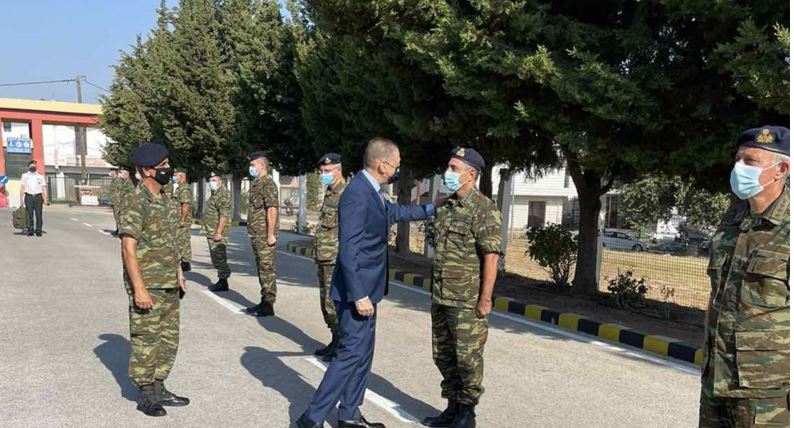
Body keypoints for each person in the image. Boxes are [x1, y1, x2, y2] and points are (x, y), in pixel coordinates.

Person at [296, 138, 436, 428]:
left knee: (362, 355)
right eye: (396, 164)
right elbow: (348, 250)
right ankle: (312, 417)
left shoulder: (371, 191)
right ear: (383, 165)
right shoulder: (358, 193)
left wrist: (433, 208)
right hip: (355, 292)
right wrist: (359, 295)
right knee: (350, 354)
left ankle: (349, 414)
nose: (398, 169)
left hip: (369, 290)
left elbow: (394, 213)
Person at [700, 126, 790, 427]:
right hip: (716, 381)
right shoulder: (732, 220)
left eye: (750, 161)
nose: (739, 168)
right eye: (737, 159)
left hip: (769, 395)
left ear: (781, 170)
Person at [422, 148, 501, 428]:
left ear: (471, 174)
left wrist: (485, 299)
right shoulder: (445, 207)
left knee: (467, 358)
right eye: (449, 167)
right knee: (443, 356)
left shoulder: (484, 209)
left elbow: (491, 257)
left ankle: (467, 412)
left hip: (467, 301)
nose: (448, 173)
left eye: (454, 168)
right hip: (441, 296)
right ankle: (452, 407)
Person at [119, 142, 189, 417]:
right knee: (146, 339)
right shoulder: (136, 201)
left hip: (169, 282)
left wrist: (179, 274)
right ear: (147, 170)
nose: (168, 169)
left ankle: (159, 386)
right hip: (148, 283)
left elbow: (171, 242)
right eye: (163, 166)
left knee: (169, 339)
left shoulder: (166, 199)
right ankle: (146, 393)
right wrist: (139, 289)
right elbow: (128, 247)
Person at [313, 153, 347, 362]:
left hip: (335, 258)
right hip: (324, 256)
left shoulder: (345, 194)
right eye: (321, 172)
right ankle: (335, 339)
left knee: (333, 303)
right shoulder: (330, 192)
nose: (323, 175)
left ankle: (341, 345)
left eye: (327, 171)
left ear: (338, 170)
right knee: (325, 302)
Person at [245, 151, 280, 317]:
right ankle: (264, 299)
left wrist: (270, 234)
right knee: (261, 267)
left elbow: (271, 209)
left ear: (262, 165)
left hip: (264, 235)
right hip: (256, 234)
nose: (250, 168)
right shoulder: (256, 183)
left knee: (267, 267)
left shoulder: (268, 184)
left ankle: (269, 303)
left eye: (253, 165)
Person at [204, 171, 232, 292]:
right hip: (212, 230)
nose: (211, 182)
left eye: (214, 180)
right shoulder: (215, 193)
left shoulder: (222, 194)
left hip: (218, 232)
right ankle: (222, 280)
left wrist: (219, 232)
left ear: (221, 181)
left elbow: (224, 215)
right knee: (216, 256)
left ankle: (223, 281)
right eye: (210, 180)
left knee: (219, 256)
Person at [172, 168, 193, 272]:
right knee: (178, 240)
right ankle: (181, 260)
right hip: (176, 218)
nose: (173, 177)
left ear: (181, 176)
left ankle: (186, 262)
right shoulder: (178, 187)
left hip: (182, 219)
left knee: (183, 240)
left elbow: (185, 204)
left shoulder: (185, 188)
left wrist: (182, 219)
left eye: (175, 175)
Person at [20, 160, 47, 237]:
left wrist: (45, 199)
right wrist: (21, 200)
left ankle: (38, 230)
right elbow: (22, 188)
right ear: (28, 166)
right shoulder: (25, 176)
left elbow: (44, 188)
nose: (33, 166)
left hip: (38, 197)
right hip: (28, 196)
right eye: (31, 165)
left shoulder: (40, 176)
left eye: (34, 165)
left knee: (39, 214)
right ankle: (30, 230)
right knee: (29, 215)